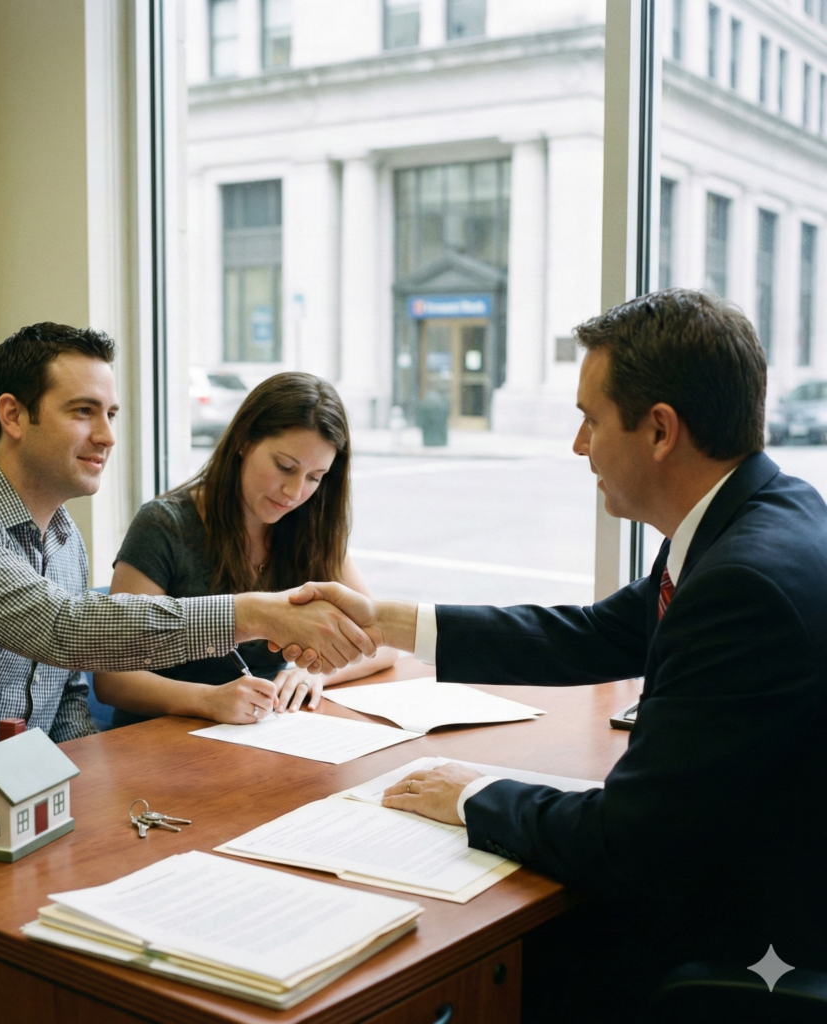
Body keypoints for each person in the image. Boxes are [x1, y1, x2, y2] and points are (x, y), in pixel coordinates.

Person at [291, 290, 827, 1019]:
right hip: (757, 866)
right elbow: (602, 631)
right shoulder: (767, 510)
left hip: (752, 938)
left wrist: (472, 795)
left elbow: (627, 844)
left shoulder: (742, 583)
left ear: (660, 431)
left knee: (468, 959)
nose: (579, 446)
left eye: (590, 419)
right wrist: (384, 621)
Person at [0, 324, 374, 796]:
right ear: (13, 415)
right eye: (84, 412)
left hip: (14, 798)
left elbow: (67, 701)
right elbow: (63, 629)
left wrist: (95, 788)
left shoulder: (64, 540)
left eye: (110, 413)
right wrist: (253, 612)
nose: (108, 436)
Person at [93, 373, 398, 726]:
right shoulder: (164, 525)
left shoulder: (311, 527)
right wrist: (207, 699)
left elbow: (382, 641)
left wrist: (315, 674)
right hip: (160, 742)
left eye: (315, 477)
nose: (294, 492)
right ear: (242, 440)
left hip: (263, 736)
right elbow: (113, 679)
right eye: (284, 466)